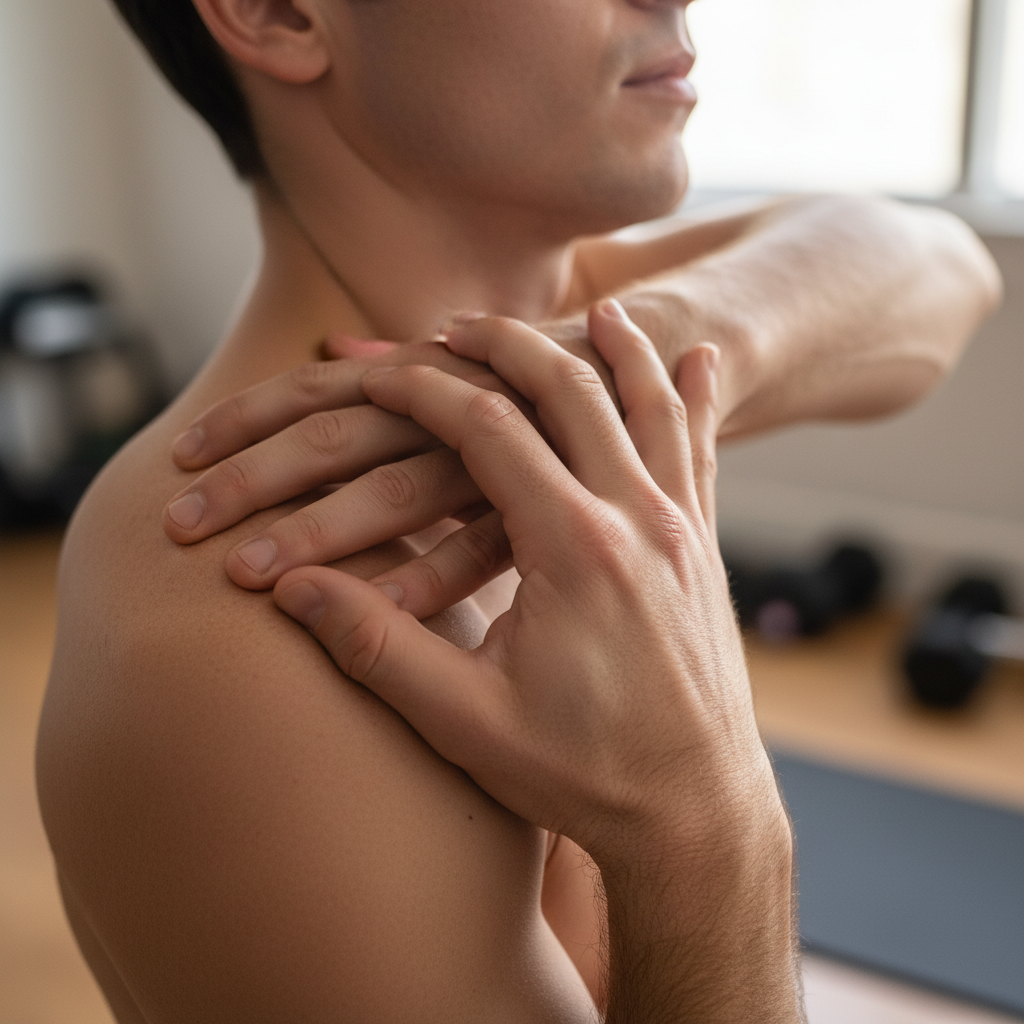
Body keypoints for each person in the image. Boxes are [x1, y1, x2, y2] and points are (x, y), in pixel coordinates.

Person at [35, 0, 1000, 1021]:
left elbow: (936, 262)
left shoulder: (585, 316)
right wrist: (705, 822)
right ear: (278, 13)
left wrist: (601, 365)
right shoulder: (255, 622)